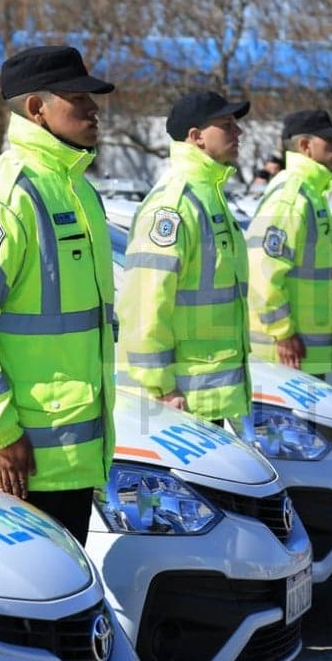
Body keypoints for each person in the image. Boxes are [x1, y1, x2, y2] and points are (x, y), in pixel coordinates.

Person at [0, 45, 116, 545]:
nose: (94, 109)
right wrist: (1, 431)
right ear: (37, 108)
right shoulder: (6, 197)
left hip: (63, 463)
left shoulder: (77, 191)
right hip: (10, 465)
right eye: (78, 98)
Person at [117, 90, 252, 424]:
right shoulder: (174, 205)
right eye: (226, 124)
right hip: (177, 401)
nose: (238, 132)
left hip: (207, 398)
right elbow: (145, 304)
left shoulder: (209, 196)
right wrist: (161, 387)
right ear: (196, 137)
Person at [246, 109, 332, 377]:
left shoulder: (311, 194)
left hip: (304, 355)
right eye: (329, 141)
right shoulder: (291, 197)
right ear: (305, 146)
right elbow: (261, 272)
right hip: (286, 356)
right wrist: (282, 333)